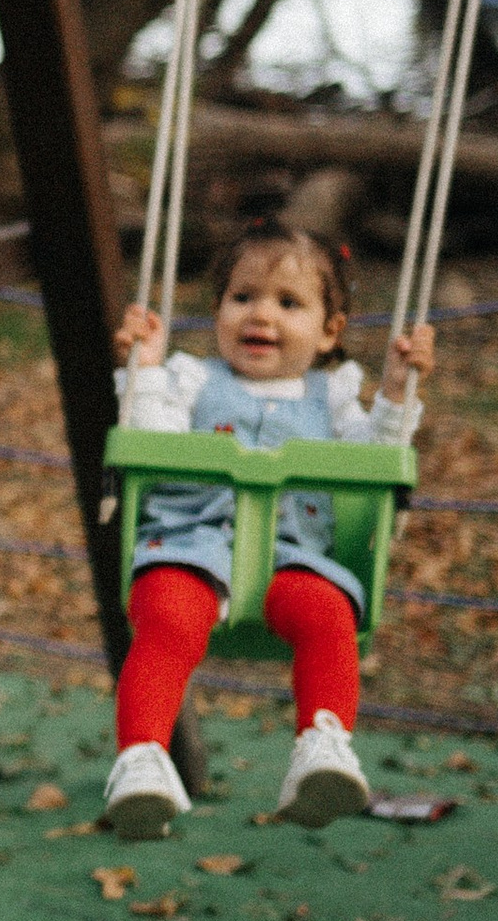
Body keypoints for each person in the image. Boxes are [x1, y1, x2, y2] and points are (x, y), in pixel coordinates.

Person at [104, 223, 432, 841]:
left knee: (329, 614)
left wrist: (394, 393)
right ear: (218, 311)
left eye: (288, 302)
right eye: (243, 297)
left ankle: (323, 745)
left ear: (330, 331)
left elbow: (375, 458)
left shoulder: (333, 396)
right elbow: (151, 439)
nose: (261, 315)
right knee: (166, 618)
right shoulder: (190, 379)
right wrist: (143, 372)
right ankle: (141, 759)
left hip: (293, 557)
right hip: (190, 545)